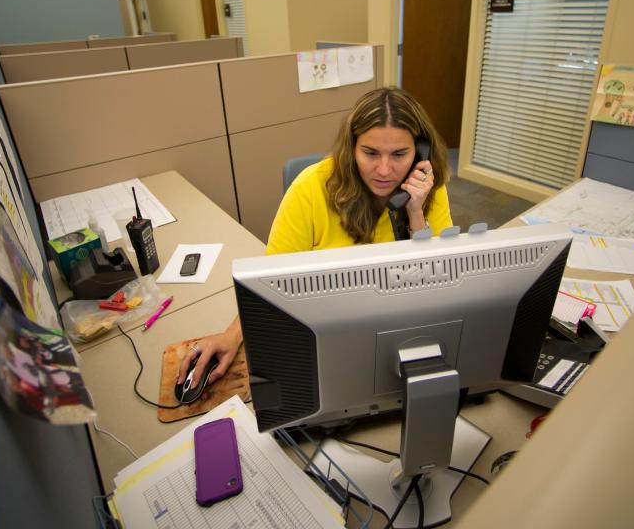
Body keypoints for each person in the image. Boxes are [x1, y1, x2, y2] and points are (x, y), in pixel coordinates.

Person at [177, 86, 453, 389]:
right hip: (330, 333)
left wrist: (415, 212)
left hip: (400, 329)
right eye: (370, 153)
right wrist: (231, 336)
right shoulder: (311, 188)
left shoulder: (425, 186)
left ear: (420, 151)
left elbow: (437, 280)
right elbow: (271, 280)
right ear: (351, 148)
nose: (384, 170)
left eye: (399, 154)